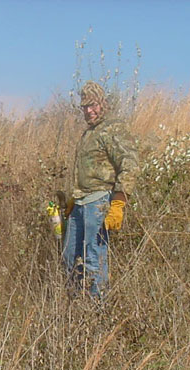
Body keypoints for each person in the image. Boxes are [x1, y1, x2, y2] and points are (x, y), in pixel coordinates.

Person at [63, 81, 139, 299]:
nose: (89, 111)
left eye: (93, 105)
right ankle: (77, 304)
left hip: (98, 203)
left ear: (102, 103)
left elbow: (130, 163)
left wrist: (118, 203)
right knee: (70, 257)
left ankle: (97, 311)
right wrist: (73, 198)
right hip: (80, 204)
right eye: (85, 107)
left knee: (93, 259)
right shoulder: (89, 133)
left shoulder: (112, 128)